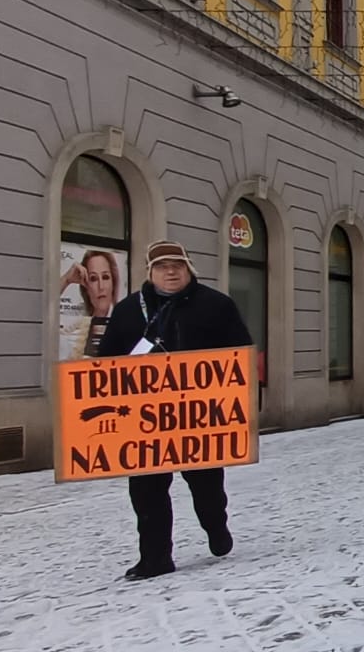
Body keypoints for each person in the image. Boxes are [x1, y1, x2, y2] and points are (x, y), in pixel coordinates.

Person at [95, 239, 254, 581]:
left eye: (177, 266)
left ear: (188, 269)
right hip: (145, 423)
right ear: (149, 272)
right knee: (146, 492)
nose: (170, 272)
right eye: (162, 267)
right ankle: (155, 558)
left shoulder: (217, 306)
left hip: (200, 418)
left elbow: (241, 356)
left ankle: (216, 526)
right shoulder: (127, 311)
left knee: (207, 485)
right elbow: (105, 363)